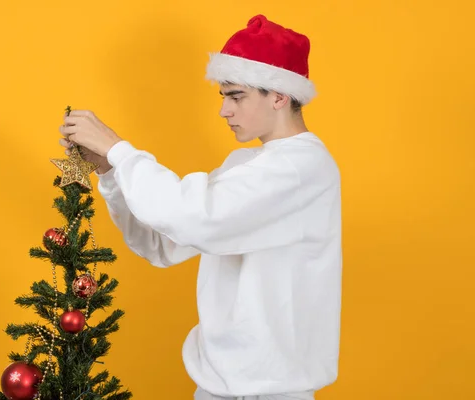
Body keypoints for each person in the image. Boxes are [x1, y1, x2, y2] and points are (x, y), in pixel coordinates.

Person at [58, 14, 342, 400]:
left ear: (279, 95)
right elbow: (163, 242)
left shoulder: (302, 167)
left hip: (272, 390)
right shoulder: (246, 166)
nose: (225, 110)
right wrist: (110, 172)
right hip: (217, 384)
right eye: (223, 96)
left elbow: (193, 216)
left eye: (236, 96)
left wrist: (118, 149)